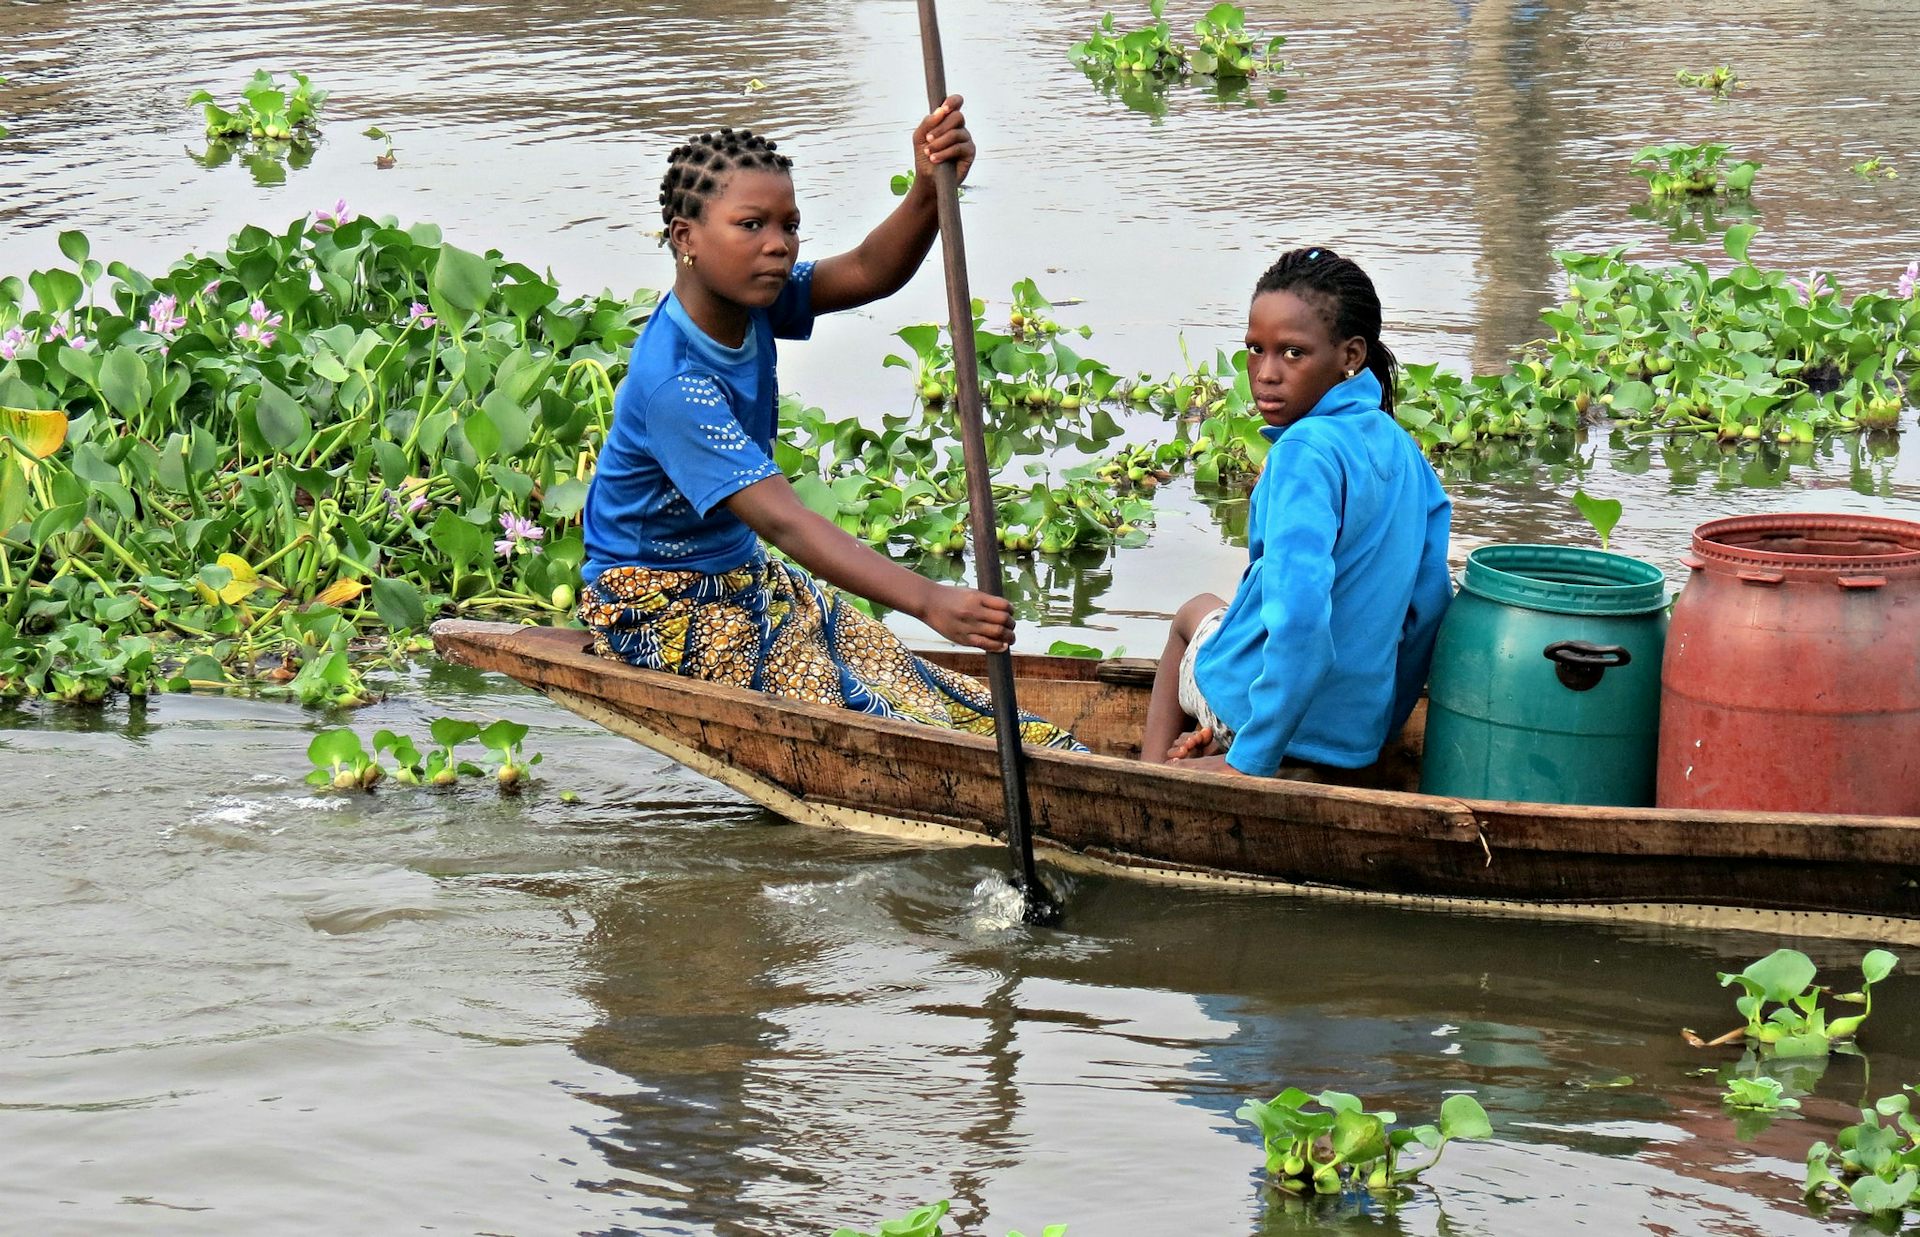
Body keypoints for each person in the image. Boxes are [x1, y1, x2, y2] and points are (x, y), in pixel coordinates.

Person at [579, 102, 1082, 750]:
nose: (778, 244)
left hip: (743, 574)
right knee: (849, 712)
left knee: (903, 674)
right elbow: (786, 519)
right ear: (685, 238)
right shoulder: (674, 384)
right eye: (751, 224)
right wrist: (928, 598)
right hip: (656, 602)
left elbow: (872, 269)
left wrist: (929, 187)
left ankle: (1046, 753)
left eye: (789, 225)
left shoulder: (754, 295)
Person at [1141, 247, 1452, 776]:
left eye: (1292, 353)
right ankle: (1241, 748)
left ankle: (1148, 776)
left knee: (1192, 613)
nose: (1265, 374)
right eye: (1255, 350)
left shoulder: (1303, 454)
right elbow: (1429, 609)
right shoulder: (1404, 450)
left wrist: (1250, 762)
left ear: (1350, 355)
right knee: (1229, 610)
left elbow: (1301, 620)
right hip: (1352, 735)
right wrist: (1371, 738)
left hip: (1264, 729)